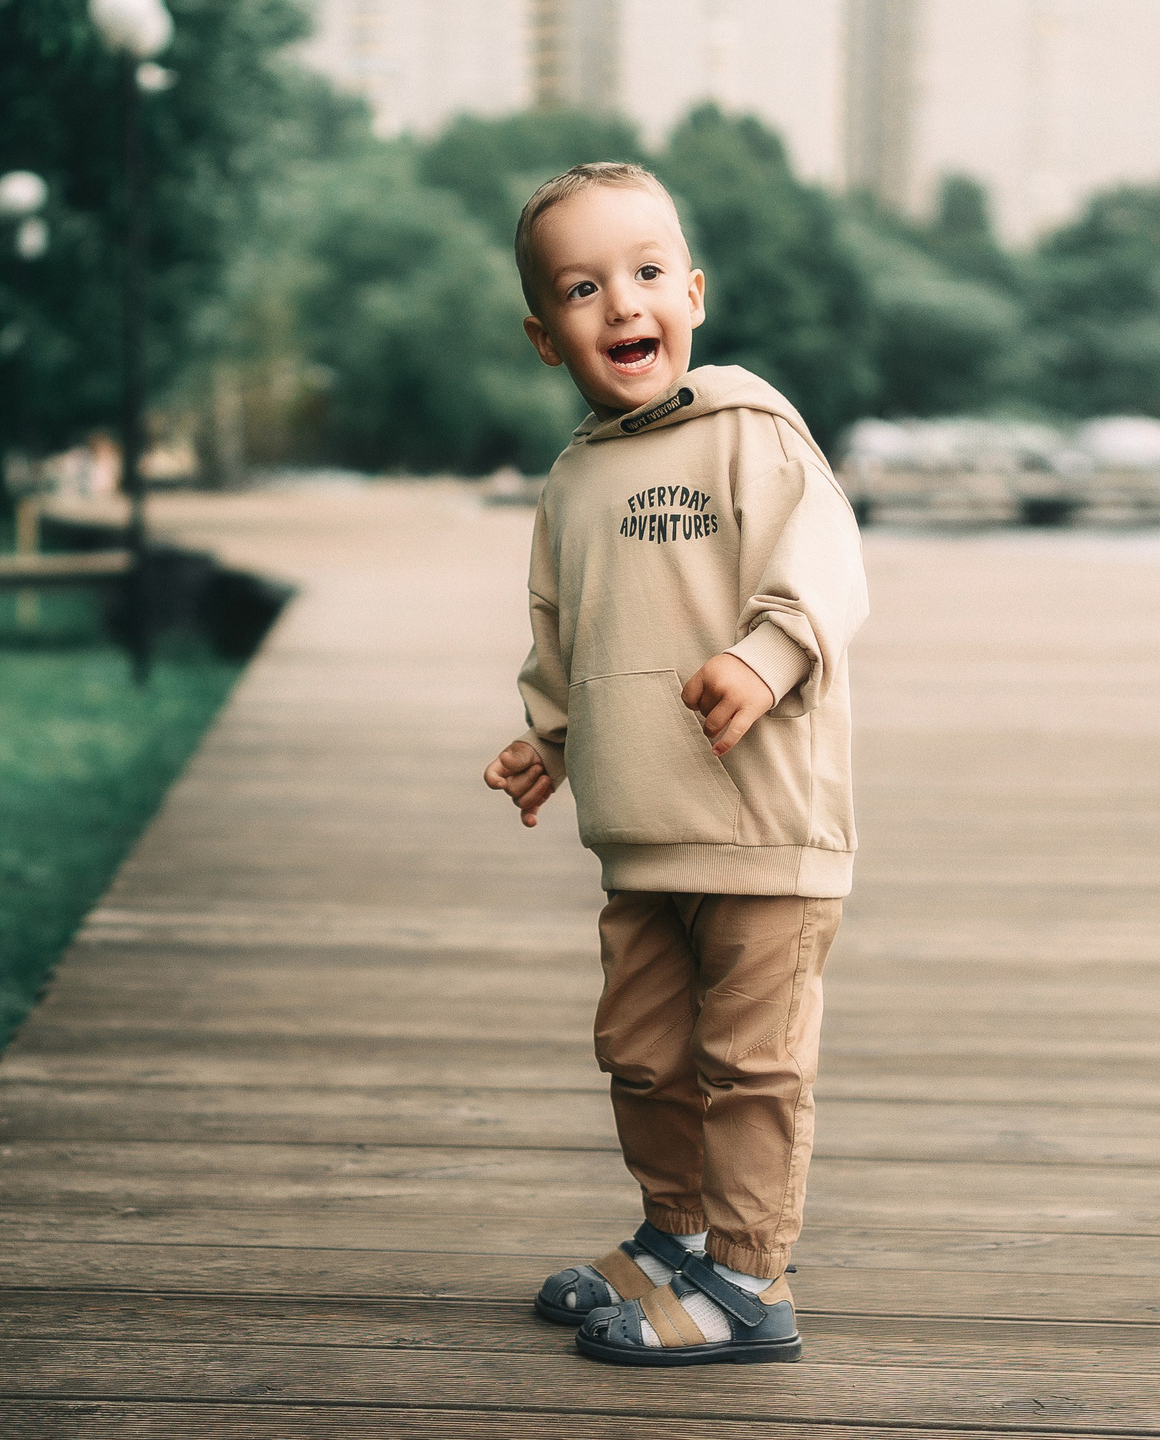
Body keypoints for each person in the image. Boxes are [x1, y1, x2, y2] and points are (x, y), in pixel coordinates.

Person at [481, 162, 869, 1366]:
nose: (621, 303)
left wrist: (764, 656)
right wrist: (547, 737)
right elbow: (567, 627)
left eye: (646, 273)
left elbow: (826, 569)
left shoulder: (752, 435)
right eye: (582, 288)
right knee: (645, 1056)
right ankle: (677, 1235)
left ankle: (746, 1279)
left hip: (761, 829)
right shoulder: (574, 479)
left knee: (749, 1067)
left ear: (691, 294)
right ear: (545, 337)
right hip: (642, 828)